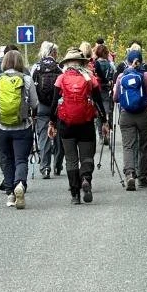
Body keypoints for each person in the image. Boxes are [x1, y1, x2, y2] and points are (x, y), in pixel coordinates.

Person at [48, 47, 108, 204]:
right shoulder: (90, 78)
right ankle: (86, 178)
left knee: (71, 159)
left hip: (66, 125)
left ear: (67, 63)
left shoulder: (61, 79)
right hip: (86, 123)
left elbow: (54, 104)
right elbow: (99, 102)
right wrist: (105, 122)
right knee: (87, 156)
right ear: (82, 63)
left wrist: (52, 123)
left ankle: (75, 194)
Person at [0, 49, 38, 209]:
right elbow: (35, 103)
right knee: (21, 159)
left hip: (3, 127)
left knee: (7, 158)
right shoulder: (27, 79)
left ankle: (10, 194)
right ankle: (20, 184)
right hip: (23, 126)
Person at [113, 49, 147, 191]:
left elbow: (115, 98)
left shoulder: (121, 77)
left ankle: (129, 174)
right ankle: (142, 178)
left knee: (128, 146)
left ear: (127, 61)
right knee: (143, 146)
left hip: (126, 115)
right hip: (144, 114)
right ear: (142, 61)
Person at [30, 41, 63, 179]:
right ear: (53, 53)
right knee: (58, 135)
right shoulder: (59, 68)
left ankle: (45, 167)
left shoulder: (36, 67)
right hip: (57, 106)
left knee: (43, 135)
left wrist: (32, 110)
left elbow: (31, 88)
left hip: (41, 106)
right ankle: (57, 164)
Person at [94, 43, 116, 143]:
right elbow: (112, 77)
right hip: (106, 90)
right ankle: (107, 132)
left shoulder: (94, 64)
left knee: (99, 112)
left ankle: (101, 135)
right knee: (107, 111)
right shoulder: (109, 64)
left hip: (97, 89)